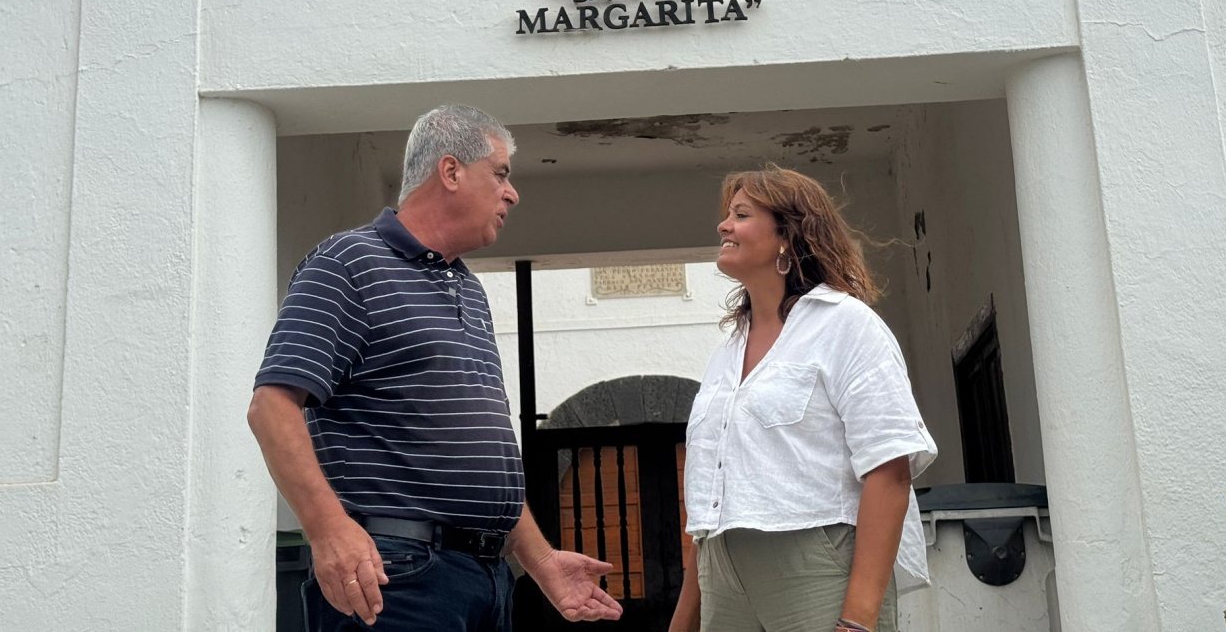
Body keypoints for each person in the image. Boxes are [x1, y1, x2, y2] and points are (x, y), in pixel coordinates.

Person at [248, 104, 623, 631]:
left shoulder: (468, 287)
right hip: (394, 578)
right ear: (450, 171)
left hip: (483, 581)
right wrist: (328, 529)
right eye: (500, 174)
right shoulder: (347, 264)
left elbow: (475, 448)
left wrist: (540, 561)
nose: (512, 193)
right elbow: (271, 408)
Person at [669, 166, 937, 632]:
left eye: (741, 215)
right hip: (720, 574)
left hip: (814, 566)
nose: (723, 225)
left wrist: (857, 622)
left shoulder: (846, 325)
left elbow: (889, 470)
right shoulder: (727, 353)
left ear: (787, 237)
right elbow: (709, 502)